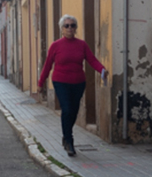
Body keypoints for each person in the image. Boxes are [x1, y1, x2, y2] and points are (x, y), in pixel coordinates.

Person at [38, 14, 107, 157]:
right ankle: (69, 141)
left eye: (72, 25)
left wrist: (102, 69)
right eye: (66, 26)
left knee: (74, 111)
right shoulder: (55, 46)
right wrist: (41, 83)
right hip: (60, 81)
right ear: (62, 29)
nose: (70, 28)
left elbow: (92, 60)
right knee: (67, 109)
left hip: (78, 82)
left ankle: (66, 135)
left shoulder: (82, 45)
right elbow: (47, 65)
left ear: (75, 28)